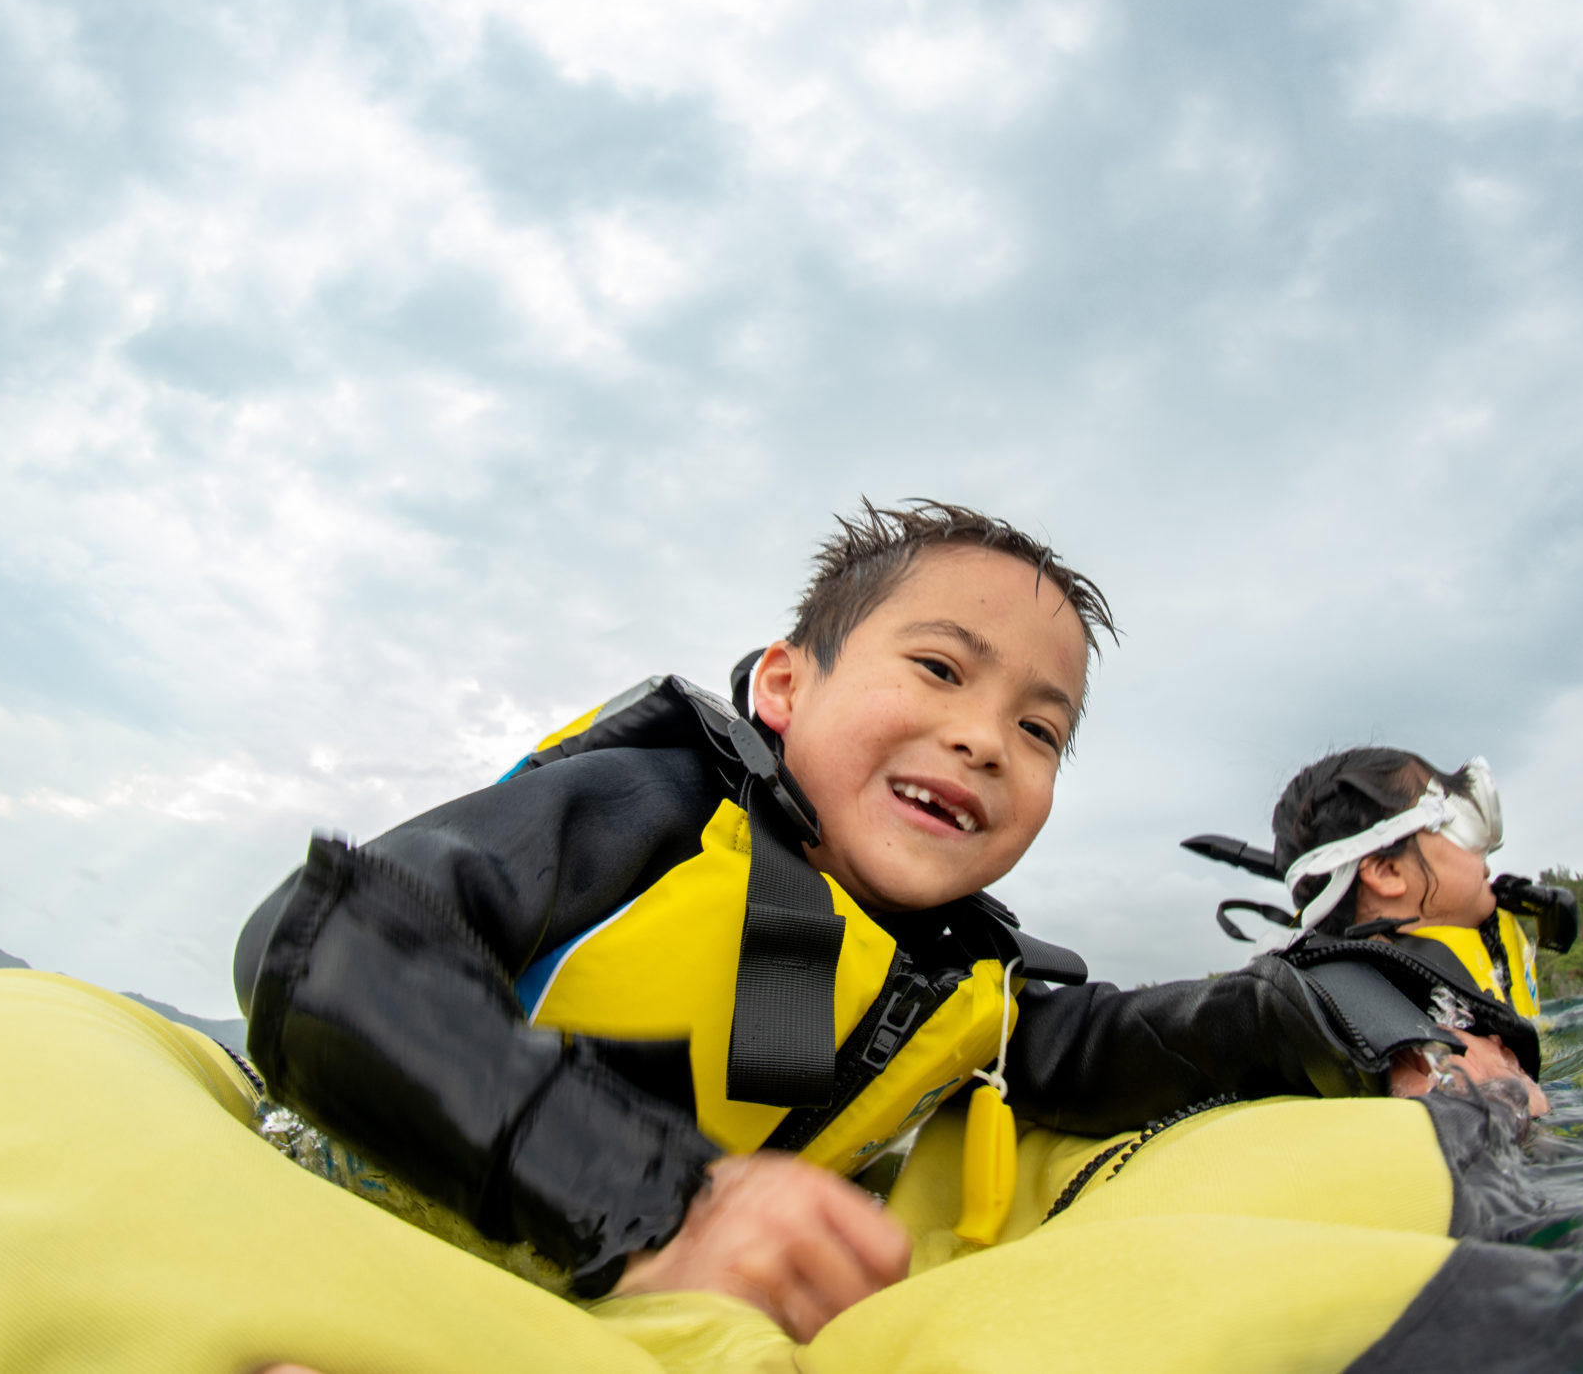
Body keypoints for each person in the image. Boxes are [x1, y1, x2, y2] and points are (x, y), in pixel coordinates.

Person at [231, 501, 1357, 1344]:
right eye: (936, 668)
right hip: (375, 1257)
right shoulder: (648, 812)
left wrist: (1324, 1016)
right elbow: (323, 952)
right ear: (783, 686)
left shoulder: (967, 978)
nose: (982, 739)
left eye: (1039, 731)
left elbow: (1106, 1050)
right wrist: (659, 1200)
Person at [1188, 746, 1569, 1114]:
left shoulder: (1449, 981)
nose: (1483, 853)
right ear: (1388, 873)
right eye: (1459, 824)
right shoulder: (1405, 1046)